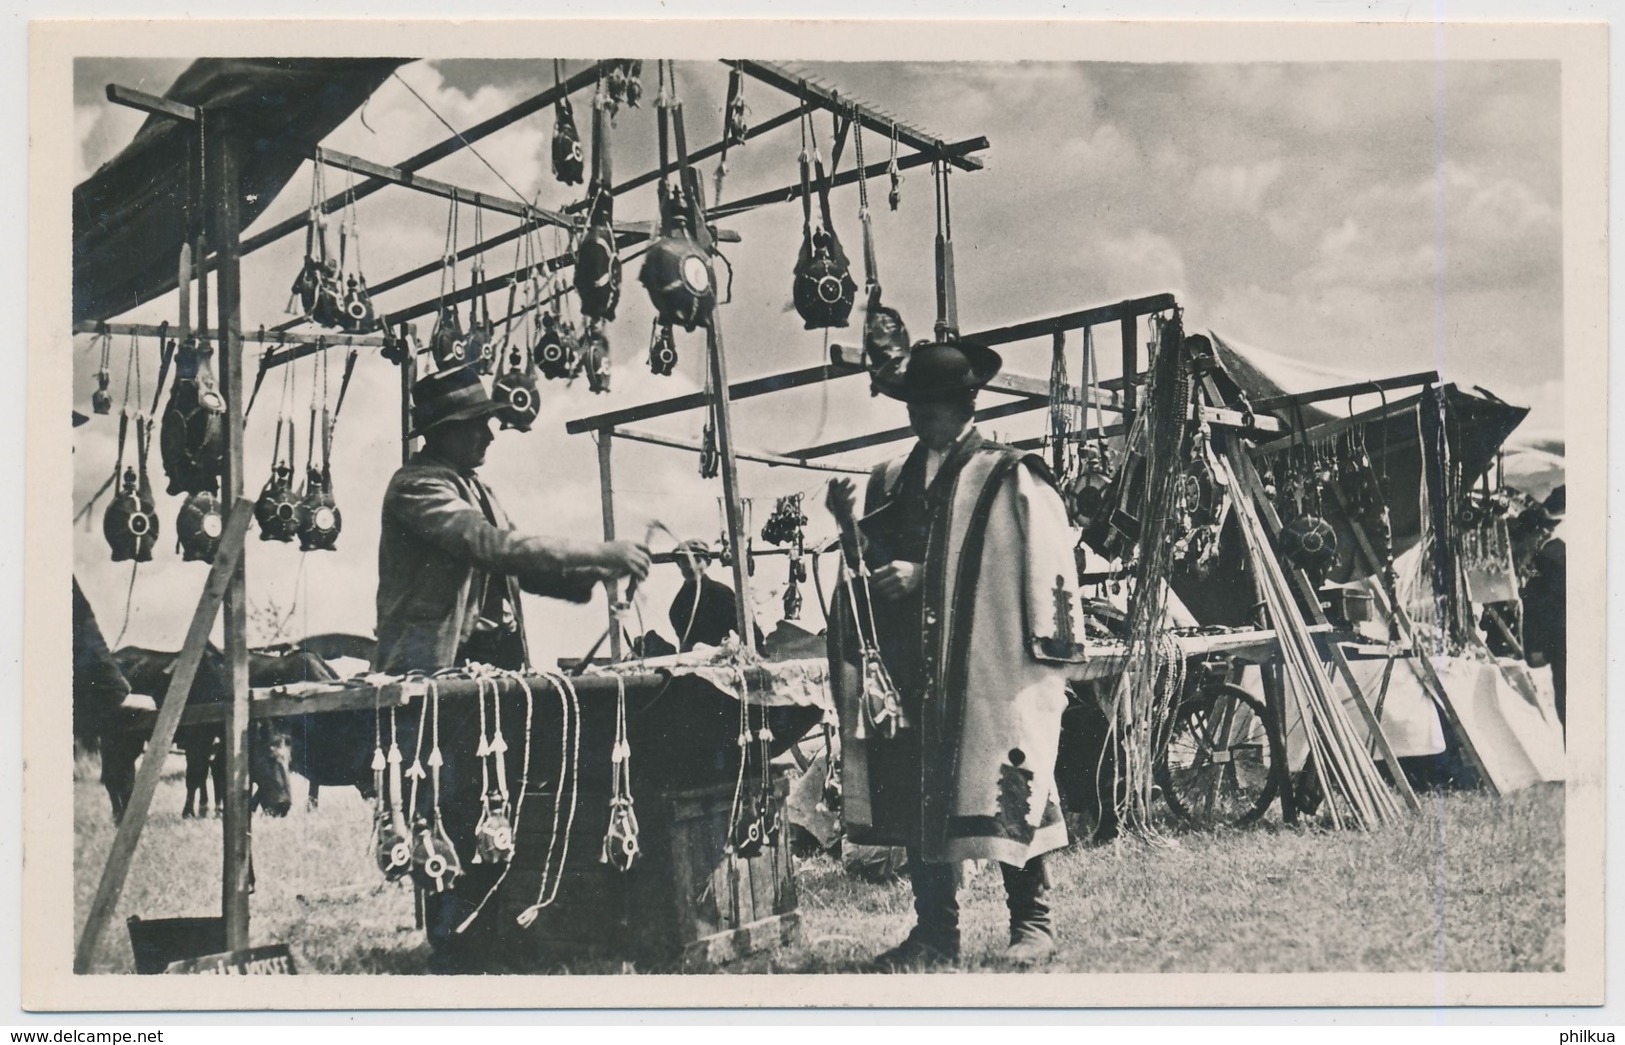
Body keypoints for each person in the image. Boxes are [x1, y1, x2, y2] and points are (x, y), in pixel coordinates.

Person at [374, 364, 651, 971]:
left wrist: (591, 574)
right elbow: (493, 548)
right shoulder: (418, 487)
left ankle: (489, 927)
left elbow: (519, 564)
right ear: (444, 431)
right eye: (477, 426)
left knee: (496, 803)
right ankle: (455, 942)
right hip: (435, 673)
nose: (490, 436)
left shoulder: (475, 488)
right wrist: (599, 550)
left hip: (487, 674)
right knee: (445, 809)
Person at [825, 339, 1086, 970]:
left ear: (967, 403)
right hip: (913, 669)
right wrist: (846, 526)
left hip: (982, 664)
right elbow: (867, 568)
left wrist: (925, 575)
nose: (920, 418)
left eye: (933, 406)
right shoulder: (891, 478)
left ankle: (1033, 923)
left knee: (1008, 783)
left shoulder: (1008, 474)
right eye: (913, 405)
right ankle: (935, 935)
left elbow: (1029, 561)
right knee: (920, 791)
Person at [1518, 487, 1566, 737]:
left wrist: (1537, 647)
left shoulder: (1548, 559)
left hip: (1560, 642)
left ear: (1535, 533)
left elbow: (1544, 608)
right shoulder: (1557, 554)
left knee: (1567, 706)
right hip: (1564, 642)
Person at [668, 539, 765, 653]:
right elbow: (684, 645)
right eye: (685, 561)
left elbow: (753, 635)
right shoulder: (677, 605)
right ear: (678, 564)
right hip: (691, 664)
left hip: (721, 661)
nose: (691, 566)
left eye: (697, 560)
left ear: (708, 562)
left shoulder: (720, 593)